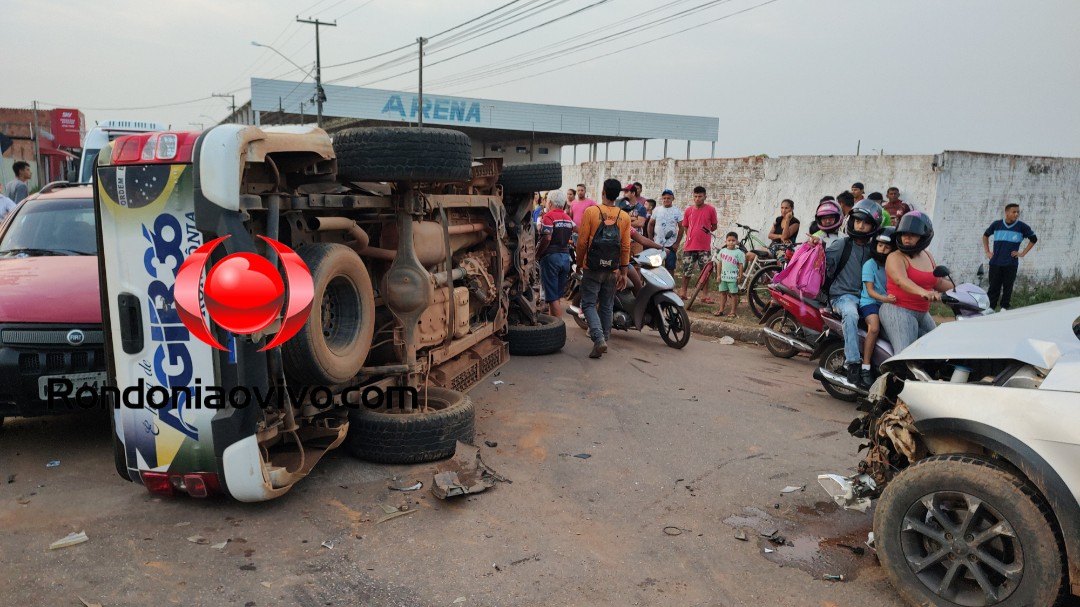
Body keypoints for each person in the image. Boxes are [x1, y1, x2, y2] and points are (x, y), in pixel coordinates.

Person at [824, 199, 883, 386]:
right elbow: (822, 262)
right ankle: (853, 364)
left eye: (865, 223)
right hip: (843, 296)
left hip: (867, 298)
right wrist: (814, 245)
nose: (860, 225)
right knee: (850, 314)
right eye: (857, 221)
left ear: (873, 226)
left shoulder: (876, 249)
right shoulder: (842, 245)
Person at [880, 212, 953, 353]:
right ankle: (893, 375)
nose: (907, 238)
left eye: (912, 235)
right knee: (906, 353)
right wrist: (924, 292)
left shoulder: (928, 256)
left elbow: (937, 282)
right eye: (903, 234)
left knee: (936, 347)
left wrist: (961, 289)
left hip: (922, 312)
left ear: (923, 237)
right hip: (898, 310)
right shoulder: (895, 257)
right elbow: (901, 281)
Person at [575, 178, 631, 359]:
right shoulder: (624, 216)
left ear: (603, 192)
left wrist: (578, 262)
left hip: (592, 267)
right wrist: (623, 271)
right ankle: (605, 338)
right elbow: (625, 247)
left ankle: (598, 339)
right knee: (607, 304)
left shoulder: (591, 212)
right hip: (612, 269)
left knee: (589, 303)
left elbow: (582, 242)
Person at [857, 227, 897, 388]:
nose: (883, 249)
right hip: (870, 303)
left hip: (887, 303)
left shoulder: (892, 266)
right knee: (874, 328)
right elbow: (871, 291)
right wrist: (886, 299)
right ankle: (865, 367)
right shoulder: (870, 264)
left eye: (887, 247)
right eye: (880, 245)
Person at [982, 203, 1037, 310]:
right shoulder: (996, 224)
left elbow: (1033, 239)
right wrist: (987, 252)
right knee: (993, 287)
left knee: (1008, 287)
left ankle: (1004, 308)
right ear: (1007, 213)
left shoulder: (1022, 227)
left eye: (1018, 212)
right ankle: (990, 309)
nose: (1016, 214)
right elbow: (985, 235)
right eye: (1014, 212)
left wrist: (1022, 253)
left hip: (1011, 263)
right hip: (995, 262)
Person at [536, 190, 575, 318]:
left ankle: (558, 329)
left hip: (551, 258)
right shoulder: (568, 218)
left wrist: (538, 254)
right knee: (556, 296)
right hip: (565, 258)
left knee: (552, 298)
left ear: (550, 202)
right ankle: (553, 326)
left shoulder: (548, 216)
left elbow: (546, 238)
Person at [677, 186, 717, 299]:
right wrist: (691, 236)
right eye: (695, 196)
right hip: (689, 247)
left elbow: (714, 226)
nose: (697, 198)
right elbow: (685, 227)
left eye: (700, 196)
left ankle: (705, 295)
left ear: (705, 196)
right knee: (686, 271)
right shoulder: (689, 210)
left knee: (705, 272)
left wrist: (704, 233)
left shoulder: (711, 209)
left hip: (704, 247)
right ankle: (683, 292)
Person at [747, 199, 800, 268]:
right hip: (772, 248)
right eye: (782, 208)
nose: (783, 210)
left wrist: (787, 220)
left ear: (792, 209)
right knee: (749, 255)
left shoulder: (795, 222)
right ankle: (764, 276)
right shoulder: (778, 219)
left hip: (784, 251)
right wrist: (780, 236)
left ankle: (769, 275)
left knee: (782, 265)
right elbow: (770, 235)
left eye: (786, 208)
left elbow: (785, 237)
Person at [647, 189, 683, 272]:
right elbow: (650, 224)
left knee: (670, 268)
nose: (666, 200)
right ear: (662, 199)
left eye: (668, 198)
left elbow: (681, 228)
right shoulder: (657, 210)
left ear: (672, 199)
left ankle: (670, 285)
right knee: (654, 267)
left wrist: (677, 243)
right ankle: (655, 285)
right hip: (657, 245)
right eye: (664, 198)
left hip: (671, 245)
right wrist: (651, 240)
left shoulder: (677, 211)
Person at [714, 232, 745, 318]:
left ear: (737, 242)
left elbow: (741, 265)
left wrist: (740, 276)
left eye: (733, 240)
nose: (731, 242)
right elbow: (719, 264)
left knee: (733, 294)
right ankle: (721, 310)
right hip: (723, 277)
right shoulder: (723, 251)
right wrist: (718, 275)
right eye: (729, 240)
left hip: (733, 278)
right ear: (726, 241)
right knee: (723, 293)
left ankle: (733, 312)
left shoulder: (739, 253)